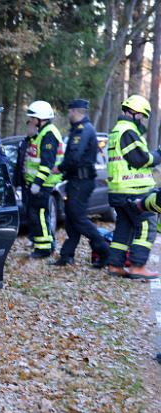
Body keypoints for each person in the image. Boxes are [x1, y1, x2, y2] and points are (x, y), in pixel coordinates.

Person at [105, 94, 161, 280]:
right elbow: (141, 159)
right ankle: (138, 267)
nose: (142, 120)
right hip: (133, 190)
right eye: (142, 116)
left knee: (124, 227)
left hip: (118, 190)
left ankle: (115, 265)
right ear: (135, 113)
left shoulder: (116, 131)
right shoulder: (128, 131)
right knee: (147, 225)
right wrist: (158, 155)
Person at [52, 99, 110, 267]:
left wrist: (60, 168)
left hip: (81, 181)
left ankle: (105, 251)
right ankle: (67, 255)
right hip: (76, 180)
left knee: (78, 218)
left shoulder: (84, 130)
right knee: (71, 219)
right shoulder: (79, 130)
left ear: (76, 112)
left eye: (70, 112)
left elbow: (74, 157)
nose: (69, 114)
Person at [24, 100, 64, 258]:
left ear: (40, 118)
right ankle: (45, 246)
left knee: (39, 215)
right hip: (38, 184)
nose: (30, 121)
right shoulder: (41, 133)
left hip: (43, 185)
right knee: (37, 215)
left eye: (32, 118)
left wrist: (37, 183)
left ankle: (44, 249)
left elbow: (47, 164)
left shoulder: (49, 135)